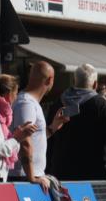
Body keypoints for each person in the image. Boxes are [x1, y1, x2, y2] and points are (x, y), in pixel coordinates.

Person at [47, 63, 106, 182]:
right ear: (95, 84)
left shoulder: (58, 103)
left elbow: (48, 137)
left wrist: (48, 169)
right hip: (93, 176)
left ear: (74, 80)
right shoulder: (101, 106)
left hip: (61, 175)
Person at [9, 61, 69, 191]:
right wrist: (32, 178)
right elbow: (25, 142)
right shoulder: (26, 103)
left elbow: (34, 138)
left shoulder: (30, 102)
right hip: (24, 178)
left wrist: (53, 127)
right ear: (50, 80)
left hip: (30, 176)